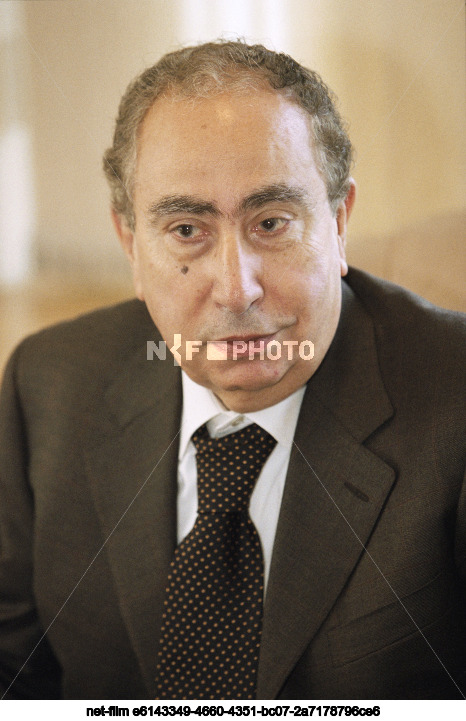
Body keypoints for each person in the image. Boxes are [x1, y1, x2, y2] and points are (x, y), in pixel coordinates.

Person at [0, 40, 465, 701]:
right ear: (131, 246)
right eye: (186, 230)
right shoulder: (47, 383)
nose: (235, 289)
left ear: (338, 223)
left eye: (271, 222)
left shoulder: (454, 401)